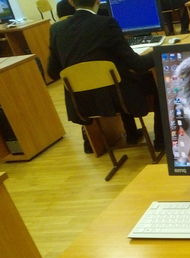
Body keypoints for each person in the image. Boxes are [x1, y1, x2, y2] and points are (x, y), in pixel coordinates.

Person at [47, 0, 163, 153]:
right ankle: (161, 142)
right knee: (156, 83)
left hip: (82, 102)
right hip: (118, 99)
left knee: (117, 76)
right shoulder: (106, 24)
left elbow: (53, 72)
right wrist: (159, 52)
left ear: (72, 3)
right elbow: (138, 64)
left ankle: (132, 134)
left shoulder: (56, 29)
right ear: (97, 1)